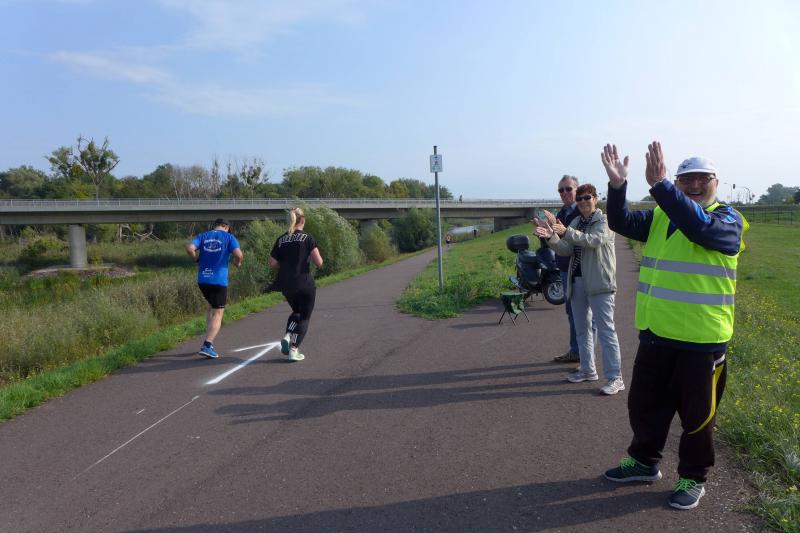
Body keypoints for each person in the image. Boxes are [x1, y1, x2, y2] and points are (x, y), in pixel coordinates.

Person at [600, 141, 747, 510]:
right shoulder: (662, 215)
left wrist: (662, 186)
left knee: (698, 418)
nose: (694, 185)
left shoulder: (728, 219)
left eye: (702, 179)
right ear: (679, 183)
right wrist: (617, 187)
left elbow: (700, 230)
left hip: (702, 339)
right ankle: (643, 462)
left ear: (716, 183)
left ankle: (693, 477)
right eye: (686, 180)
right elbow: (620, 222)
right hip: (656, 334)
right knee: (644, 405)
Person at [535, 183, 624, 396]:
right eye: (580, 199)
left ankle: (615, 378)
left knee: (606, 331)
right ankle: (587, 369)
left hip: (599, 282)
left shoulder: (604, 221)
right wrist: (551, 236)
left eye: (587, 197)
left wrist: (566, 231)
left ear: (595, 199)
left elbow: (593, 240)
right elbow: (566, 249)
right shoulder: (576, 222)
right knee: (582, 330)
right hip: (577, 282)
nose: (583, 202)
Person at [269, 207, 324, 362]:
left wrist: (287, 263)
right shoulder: (308, 238)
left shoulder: (281, 239)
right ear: (303, 220)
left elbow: (272, 263)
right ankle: (294, 350)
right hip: (304, 282)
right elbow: (319, 262)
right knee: (305, 317)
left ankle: (288, 335)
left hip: (286, 284)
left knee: (297, 312)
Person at [185, 218, 243, 359]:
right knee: (218, 313)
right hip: (218, 281)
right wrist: (238, 263)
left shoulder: (203, 236)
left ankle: (208, 341)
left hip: (203, 280)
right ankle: (207, 344)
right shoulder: (229, 237)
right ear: (226, 227)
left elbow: (190, 248)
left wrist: (195, 259)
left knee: (211, 308)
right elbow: (238, 254)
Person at [548, 175, 582, 364]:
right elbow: (558, 241)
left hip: (579, 269)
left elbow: (582, 240)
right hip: (564, 267)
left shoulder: (583, 211)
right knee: (571, 312)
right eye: (561, 190)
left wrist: (561, 231)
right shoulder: (561, 213)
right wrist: (546, 233)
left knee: (585, 315)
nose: (564, 193)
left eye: (568, 188)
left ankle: (586, 357)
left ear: (577, 189)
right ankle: (576, 351)